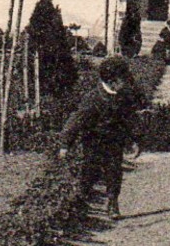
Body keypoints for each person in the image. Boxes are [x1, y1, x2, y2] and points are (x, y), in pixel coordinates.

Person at [58, 57, 142, 217]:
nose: (126, 82)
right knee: (89, 174)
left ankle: (112, 203)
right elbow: (76, 120)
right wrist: (65, 145)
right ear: (111, 81)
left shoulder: (123, 97)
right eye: (122, 79)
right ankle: (80, 206)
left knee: (114, 173)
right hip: (93, 142)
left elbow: (130, 119)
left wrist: (135, 139)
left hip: (114, 142)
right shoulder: (93, 98)